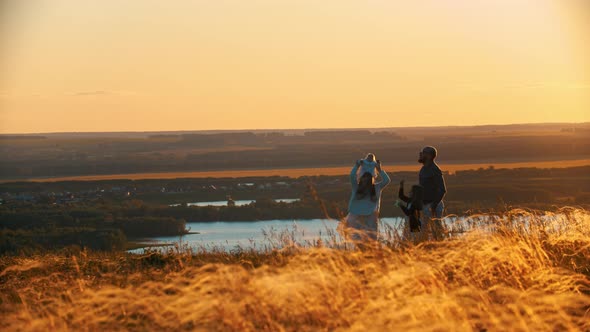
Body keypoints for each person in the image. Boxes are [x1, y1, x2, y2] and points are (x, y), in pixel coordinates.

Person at [343, 156, 391, 247]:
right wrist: (357, 166)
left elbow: (387, 180)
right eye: (364, 177)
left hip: (371, 218)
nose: (366, 180)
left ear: (372, 179)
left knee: (371, 241)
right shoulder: (356, 187)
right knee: (359, 241)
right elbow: (352, 176)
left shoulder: (377, 187)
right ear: (361, 178)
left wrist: (380, 170)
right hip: (357, 217)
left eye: (368, 178)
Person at [418, 146, 447, 239]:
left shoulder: (434, 170)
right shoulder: (424, 169)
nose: (420, 154)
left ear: (430, 156)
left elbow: (442, 189)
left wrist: (433, 206)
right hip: (425, 205)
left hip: (433, 206)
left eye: (423, 152)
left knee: (436, 233)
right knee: (424, 233)